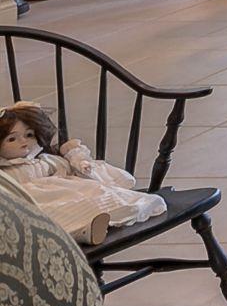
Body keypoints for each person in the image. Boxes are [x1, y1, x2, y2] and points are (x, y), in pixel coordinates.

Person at [0, 100, 165, 245]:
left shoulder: (45, 161)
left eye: (29, 134)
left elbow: (69, 170)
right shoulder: (4, 173)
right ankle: (85, 232)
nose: (23, 142)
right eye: (12, 139)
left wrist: (77, 159)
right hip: (34, 204)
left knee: (93, 196)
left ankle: (116, 213)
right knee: (52, 217)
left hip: (64, 193)